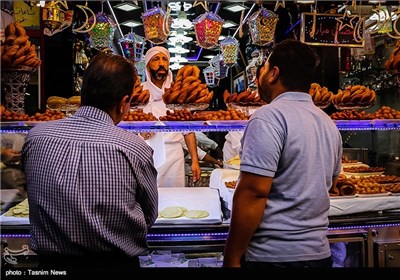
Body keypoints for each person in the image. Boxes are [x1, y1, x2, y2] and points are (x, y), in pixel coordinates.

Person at [21, 53, 158, 271]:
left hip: (50, 266)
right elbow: (150, 216)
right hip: (115, 266)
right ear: (124, 103)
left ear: (83, 92)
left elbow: (30, 191)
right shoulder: (134, 148)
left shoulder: (36, 137)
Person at [223, 39, 343, 268]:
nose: (261, 75)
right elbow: (331, 183)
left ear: (273, 74)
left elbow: (254, 194)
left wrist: (232, 257)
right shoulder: (327, 122)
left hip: (274, 257)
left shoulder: (268, 117)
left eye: (264, 68)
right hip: (319, 254)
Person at [141, 46, 201, 187]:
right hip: (146, 154)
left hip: (174, 155)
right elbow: (128, 122)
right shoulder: (139, 92)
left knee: (176, 198)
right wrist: (140, 130)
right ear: (148, 65)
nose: (161, 63)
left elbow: (188, 130)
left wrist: (195, 160)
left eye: (165, 59)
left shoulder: (178, 93)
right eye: (156, 59)